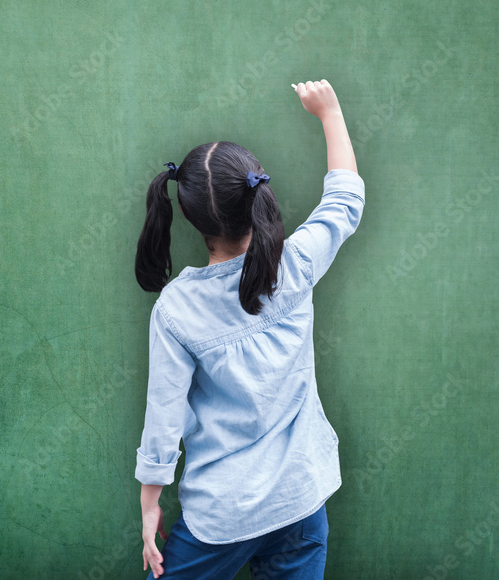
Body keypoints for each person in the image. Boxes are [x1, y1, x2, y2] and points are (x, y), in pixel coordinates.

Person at [133, 80, 365, 579]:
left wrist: (150, 499)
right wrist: (330, 113)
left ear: (189, 217)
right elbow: (345, 200)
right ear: (258, 192)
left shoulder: (177, 309)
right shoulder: (295, 265)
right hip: (301, 498)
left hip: (222, 513)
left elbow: (164, 413)